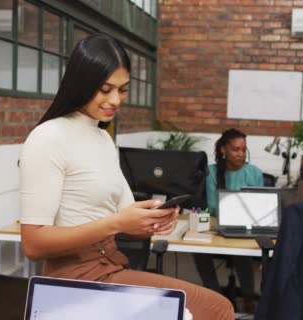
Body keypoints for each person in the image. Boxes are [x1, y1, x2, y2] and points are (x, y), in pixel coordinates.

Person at [18, 33, 234, 320]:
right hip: (76, 278)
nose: (115, 100)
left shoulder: (103, 138)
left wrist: (151, 220)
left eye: (122, 90)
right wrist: (117, 222)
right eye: (105, 89)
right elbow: (34, 243)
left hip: (111, 268)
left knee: (216, 308)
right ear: (81, 84)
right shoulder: (48, 137)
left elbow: (124, 218)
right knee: (216, 310)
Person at [193, 128, 263, 312]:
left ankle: (249, 297)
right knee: (198, 249)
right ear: (224, 150)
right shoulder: (212, 172)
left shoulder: (254, 172)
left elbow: (259, 204)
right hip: (218, 225)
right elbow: (211, 206)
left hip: (243, 227)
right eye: (235, 149)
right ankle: (213, 294)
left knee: (241, 250)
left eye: (243, 149)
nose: (240, 154)